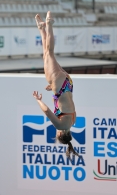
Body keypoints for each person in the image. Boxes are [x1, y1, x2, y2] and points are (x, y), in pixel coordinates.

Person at [33, 11, 79, 159]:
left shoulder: (72, 121)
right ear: (60, 134)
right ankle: (49, 24)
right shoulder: (60, 126)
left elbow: (64, 101)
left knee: (47, 55)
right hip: (60, 85)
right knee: (49, 53)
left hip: (67, 83)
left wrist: (53, 88)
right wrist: (38, 100)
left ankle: (41, 28)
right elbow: (47, 111)